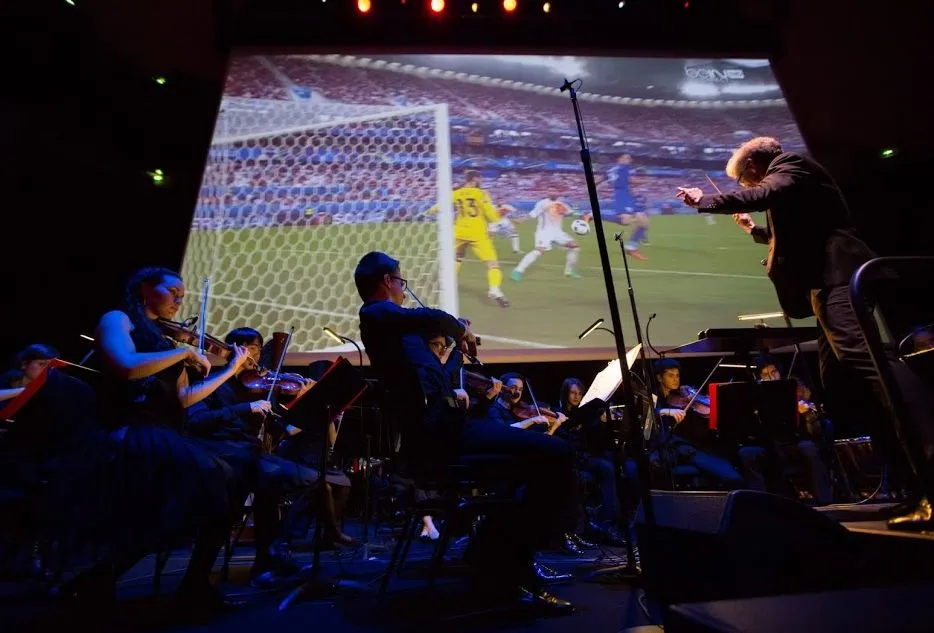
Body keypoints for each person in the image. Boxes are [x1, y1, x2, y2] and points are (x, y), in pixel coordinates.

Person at [676, 136, 934, 528]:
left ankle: (928, 472)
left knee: (871, 369)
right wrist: (753, 232)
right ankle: (912, 484)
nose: (747, 186)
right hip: (826, 284)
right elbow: (800, 232)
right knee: (844, 381)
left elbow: (768, 193)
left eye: (745, 180)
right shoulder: (790, 181)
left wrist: (704, 201)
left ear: (755, 166)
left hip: (841, 277)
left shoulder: (791, 165)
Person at [355, 251, 575, 613]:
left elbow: (438, 377)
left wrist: (458, 347)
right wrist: (459, 327)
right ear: (386, 282)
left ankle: (496, 555)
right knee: (556, 455)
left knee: (535, 464)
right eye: (401, 282)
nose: (403, 290)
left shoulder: (399, 333)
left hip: (451, 428)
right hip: (442, 438)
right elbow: (431, 317)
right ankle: (505, 563)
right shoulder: (376, 314)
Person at [78, 266, 248, 611]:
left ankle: (189, 583)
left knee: (228, 481)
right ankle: (105, 579)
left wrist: (228, 370)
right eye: (174, 293)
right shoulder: (118, 319)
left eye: (183, 297)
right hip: (130, 432)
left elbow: (184, 399)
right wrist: (183, 353)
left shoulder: (162, 339)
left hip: (164, 432)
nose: (179, 302)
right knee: (216, 480)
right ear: (145, 288)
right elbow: (124, 365)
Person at [428, 170, 509, 307]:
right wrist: (499, 216)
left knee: (457, 257)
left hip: (459, 232)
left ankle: (446, 285)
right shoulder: (481, 193)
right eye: (480, 178)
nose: (481, 180)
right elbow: (491, 214)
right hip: (478, 234)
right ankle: (494, 289)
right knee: (492, 264)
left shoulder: (457, 192)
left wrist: (429, 211)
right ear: (475, 179)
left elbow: (441, 205)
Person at [511, 191, 588, 281]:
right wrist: (522, 219)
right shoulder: (542, 203)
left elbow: (570, 213)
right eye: (550, 191)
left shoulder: (562, 204)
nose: (552, 193)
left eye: (554, 191)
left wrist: (582, 216)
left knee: (575, 247)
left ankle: (569, 272)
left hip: (558, 232)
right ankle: (518, 271)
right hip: (544, 232)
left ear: (558, 193)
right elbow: (533, 214)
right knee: (539, 251)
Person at [603, 154, 648, 260]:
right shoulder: (623, 167)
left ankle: (631, 247)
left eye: (630, 158)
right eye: (626, 157)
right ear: (619, 159)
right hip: (622, 195)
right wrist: (645, 181)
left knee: (644, 222)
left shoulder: (612, 169)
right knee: (625, 221)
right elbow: (629, 181)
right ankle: (593, 214)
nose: (629, 160)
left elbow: (603, 178)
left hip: (628, 195)